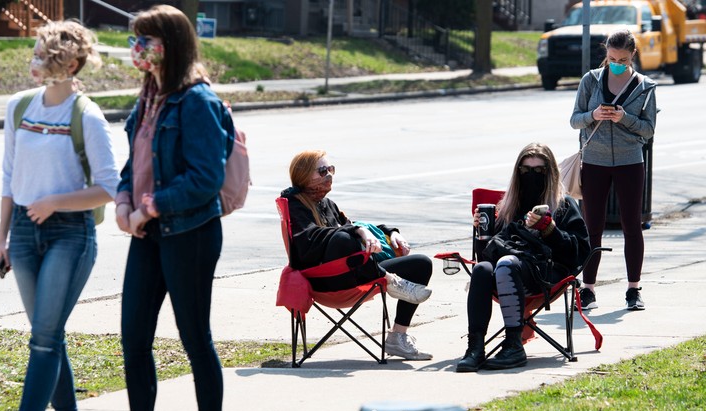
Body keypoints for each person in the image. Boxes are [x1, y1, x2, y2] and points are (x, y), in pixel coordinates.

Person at [114, 5, 234, 411]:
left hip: (190, 233)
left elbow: (205, 178)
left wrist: (151, 206)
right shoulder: (147, 99)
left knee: (194, 339)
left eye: (145, 40)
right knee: (133, 338)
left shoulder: (196, 100)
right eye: (135, 39)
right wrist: (124, 203)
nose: (137, 48)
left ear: (171, 45)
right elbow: (133, 165)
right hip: (146, 233)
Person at [0, 21, 119, 411]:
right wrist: (2, 239)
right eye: (34, 53)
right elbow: (9, 177)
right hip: (23, 232)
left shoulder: (88, 116)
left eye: (41, 55)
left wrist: (55, 203)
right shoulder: (19, 106)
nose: (33, 61)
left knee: (44, 336)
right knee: (46, 330)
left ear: (70, 64)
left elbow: (110, 187)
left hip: (71, 234)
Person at [280, 150, 435, 360]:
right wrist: (356, 232)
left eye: (331, 169)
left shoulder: (327, 204)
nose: (329, 175)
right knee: (344, 239)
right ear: (304, 175)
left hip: (358, 273)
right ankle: (390, 281)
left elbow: (356, 226)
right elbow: (311, 240)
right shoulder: (295, 205)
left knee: (421, 264)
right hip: (326, 281)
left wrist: (391, 232)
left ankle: (398, 337)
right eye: (323, 171)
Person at [456, 143, 590, 372]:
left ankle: (514, 344)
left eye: (539, 171)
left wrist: (550, 229)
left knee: (507, 264)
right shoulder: (508, 206)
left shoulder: (563, 204)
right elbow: (486, 255)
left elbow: (579, 252)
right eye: (526, 170)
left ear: (550, 174)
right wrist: (481, 232)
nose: (532, 176)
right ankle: (475, 347)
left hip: (546, 273)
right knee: (481, 269)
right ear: (517, 174)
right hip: (507, 272)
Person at [570, 29, 657, 311]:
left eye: (622, 58)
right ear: (606, 53)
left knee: (631, 225)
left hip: (630, 161)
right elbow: (574, 120)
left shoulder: (645, 86)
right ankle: (588, 289)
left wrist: (624, 118)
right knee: (591, 226)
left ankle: (634, 290)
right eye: (611, 57)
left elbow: (648, 129)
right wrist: (593, 115)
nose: (616, 62)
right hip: (594, 161)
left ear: (633, 54)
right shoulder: (591, 80)